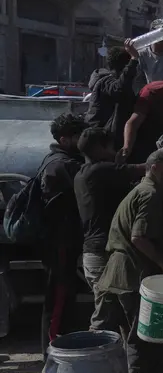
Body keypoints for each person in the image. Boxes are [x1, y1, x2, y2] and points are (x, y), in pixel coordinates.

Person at [90, 150, 163, 373]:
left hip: (118, 271)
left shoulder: (143, 190)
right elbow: (139, 237)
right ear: (156, 168)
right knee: (141, 333)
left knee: (125, 331)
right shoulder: (150, 195)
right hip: (131, 271)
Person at [36, 113, 88, 355]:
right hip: (60, 241)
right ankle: (52, 352)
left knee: (65, 296)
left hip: (63, 239)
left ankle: (61, 347)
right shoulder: (63, 165)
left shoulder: (60, 160)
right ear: (65, 139)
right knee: (57, 298)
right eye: (79, 136)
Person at [75, 128, 145, 291]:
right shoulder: (100, 170)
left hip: (93, 251)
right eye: (112, 147)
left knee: (107, 309)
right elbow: (146, 168)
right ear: (100, 148)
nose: (115, 150)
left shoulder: (82, 174)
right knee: (109, 310)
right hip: (103, 252)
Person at [84, 45, 141, 146]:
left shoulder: (108, 81)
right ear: (124, 66)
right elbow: (119, 89)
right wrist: (134, 60)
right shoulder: (106, 81)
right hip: (101, 142)